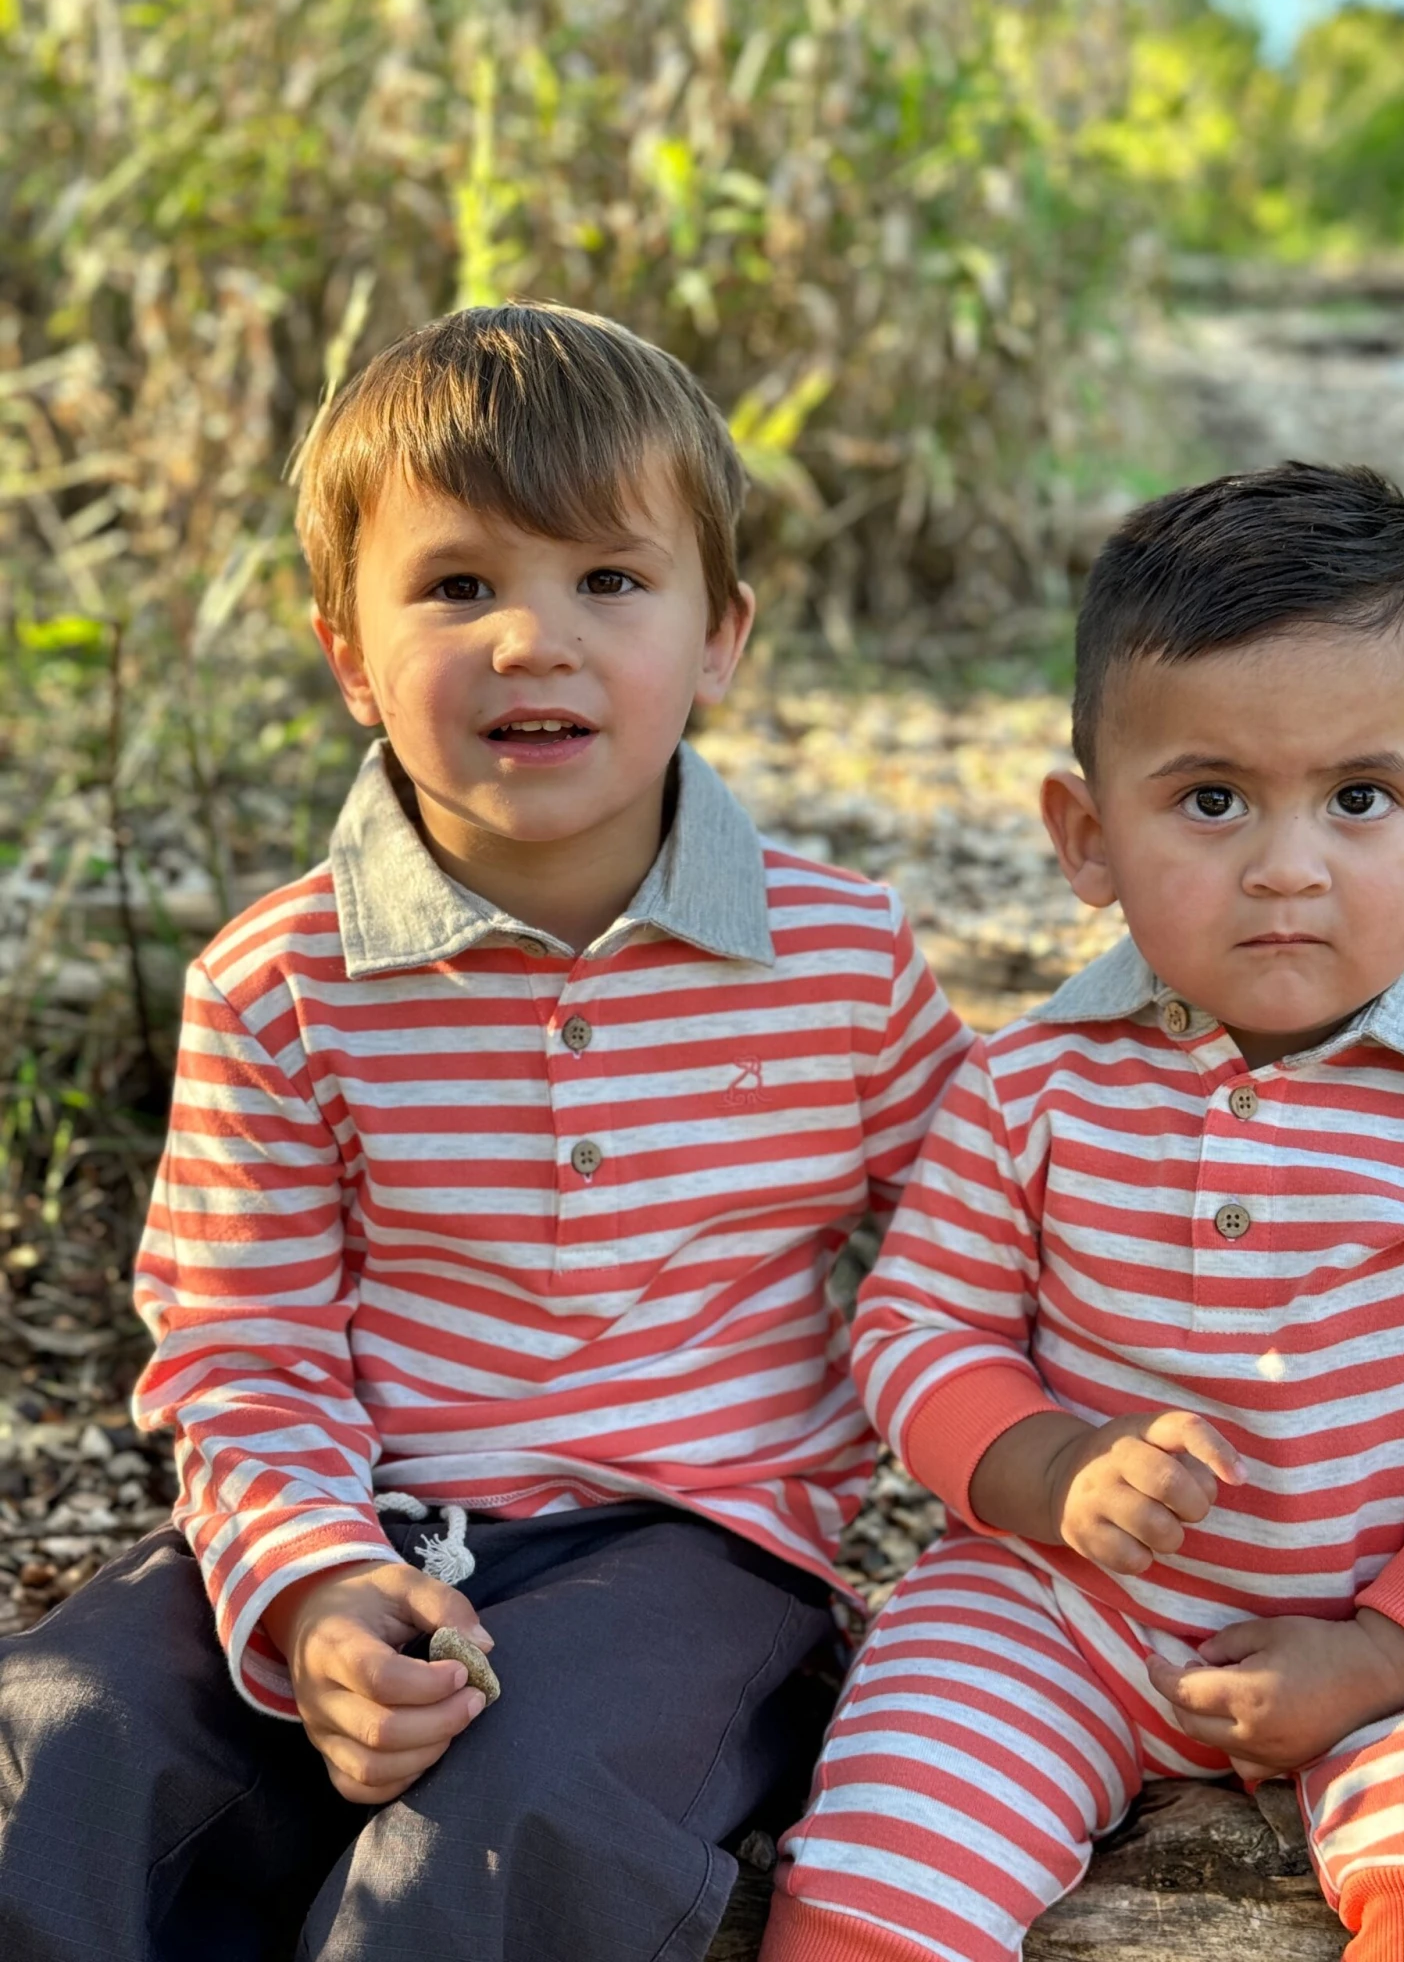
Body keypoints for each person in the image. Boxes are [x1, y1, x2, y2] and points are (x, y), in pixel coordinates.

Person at [0, 302, 970, 1962]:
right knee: (63, 1737)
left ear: (720, 637)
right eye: (459, 587)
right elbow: (244, 1341)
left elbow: (994, 1232)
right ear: (349, 654)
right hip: (359, 1505)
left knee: (499, 1833)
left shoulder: (838, 959)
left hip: (693, 1548)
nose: (534, 639)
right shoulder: (283, 983)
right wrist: (311, 1589)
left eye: (609, 579)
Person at [764, 461, 1404, 1962]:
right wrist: (1046, 1466)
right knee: (893, 1815)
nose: (1288, 866)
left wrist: (1383, 1654)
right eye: (1212, 800)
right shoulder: (1030, 1085)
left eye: (1363, 799)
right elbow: (918, 1328)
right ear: (1086, 836)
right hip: (1066, 1607)